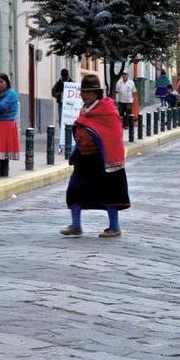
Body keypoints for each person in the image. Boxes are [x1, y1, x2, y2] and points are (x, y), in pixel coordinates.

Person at [60, 74, 130, 238]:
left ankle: (115, 227)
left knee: (110, 193)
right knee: (74, 189)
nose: (83, 95)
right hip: (84, 158)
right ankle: (76, 225)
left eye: (87, 92)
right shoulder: (85, 109)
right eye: (82, 92)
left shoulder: (107, 110)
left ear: (96, 93)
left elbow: (112, 135)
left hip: (103, 159)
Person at [0, 73, 20, 177]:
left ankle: (4, 174)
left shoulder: (11, 94)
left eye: (1, 82)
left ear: (7, 82)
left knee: (3, 153)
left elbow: (2, 107)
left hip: (6, 125)